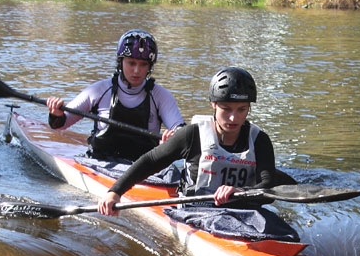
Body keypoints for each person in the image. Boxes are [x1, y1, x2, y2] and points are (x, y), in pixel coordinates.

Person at [97, 67, 299, 242]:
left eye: (241, 109)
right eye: (226, 108)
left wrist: (238, 190)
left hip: (243, 212)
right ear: (213, 104)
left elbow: (267, 186)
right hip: (195, 212)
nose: (233, 117)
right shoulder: (192, 135)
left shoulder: (260, 140)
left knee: (284, 230)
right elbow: (150, 161)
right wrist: (115, 192)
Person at [45, 29, 185, 161]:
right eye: (131, 63)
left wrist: (172, 141)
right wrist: (56, 114)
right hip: (99, 162)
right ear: (121, 62)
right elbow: (59, 125)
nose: (137, 70)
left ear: (150, 67)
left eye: (143, 64)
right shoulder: (98, 91)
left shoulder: (161, 96)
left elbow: (182, 133)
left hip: (143, 167)